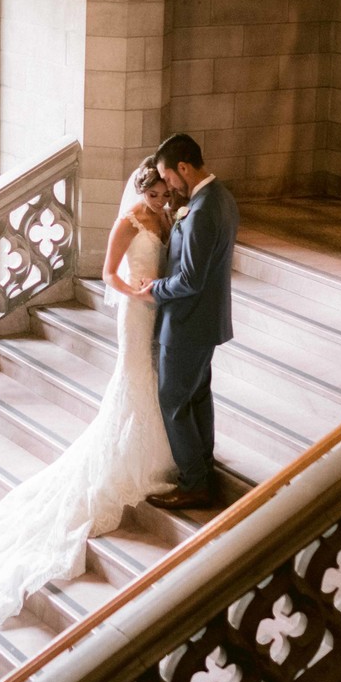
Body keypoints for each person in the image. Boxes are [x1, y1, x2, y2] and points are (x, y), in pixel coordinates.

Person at [0, 159, 175, 627]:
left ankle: (149, 447)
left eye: (165, 195)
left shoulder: (168, 215)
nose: (161, 202)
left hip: (156, 309)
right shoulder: (129, 222)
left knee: (147, 380)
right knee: (134, 380)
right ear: (141, 192)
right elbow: (109, 275)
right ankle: (134, 456)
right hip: (136, 311)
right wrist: (140, 294)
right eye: (155, 196)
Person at [135, 132, 239, 510]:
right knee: (196, 395)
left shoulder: (202, 210)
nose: (169, 185)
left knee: (174, 399)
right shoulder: (220, 198)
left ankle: (194, 482)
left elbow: (191, 278)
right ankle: (203, 468)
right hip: (205, 320)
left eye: (169, 176)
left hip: (188, 322)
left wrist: (154, 289)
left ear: (182, 167)